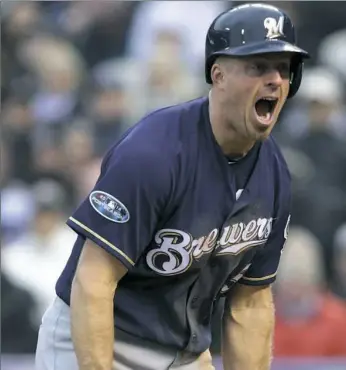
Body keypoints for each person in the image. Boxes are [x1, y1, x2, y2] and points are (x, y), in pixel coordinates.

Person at [35, 3, 309, 370]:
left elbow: (250, 303)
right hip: (99, 336)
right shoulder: (155, 153)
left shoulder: (274, 174)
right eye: (258, 66)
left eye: (283, 68)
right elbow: (94, 283)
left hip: (183, 354)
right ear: (218, 75)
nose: (275, 79)